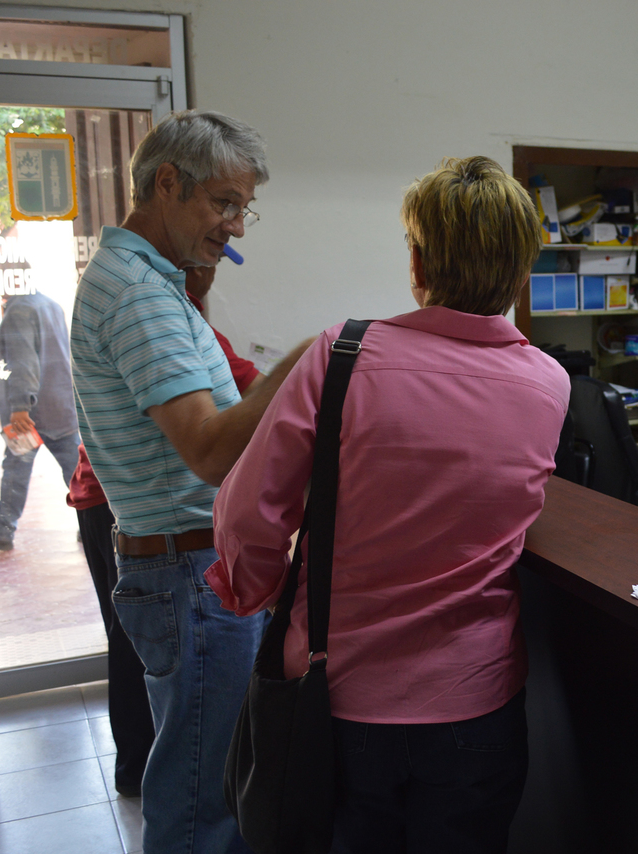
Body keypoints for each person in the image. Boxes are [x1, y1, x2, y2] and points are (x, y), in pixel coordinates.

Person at [206, 155, 571, 853]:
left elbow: (249, 514)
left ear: (418, 261)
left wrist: (256, 590)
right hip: (479, 706)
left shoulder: (340, 355)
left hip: (339, 701)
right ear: (522, 270)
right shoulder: (549, 383)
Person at [70, 109, 310, 854]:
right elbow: (207, 451)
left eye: (243, 208)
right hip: (189, 572)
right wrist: (303, 366)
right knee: (204, 802)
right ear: (167, 183)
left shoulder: (150, 284)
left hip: (193, 567)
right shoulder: (138, 296)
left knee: (216, 786)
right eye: (224, 203)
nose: (235, 227)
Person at [67, 262, 261, 799]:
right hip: (128, 510)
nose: (224, 249)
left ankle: (139, 762)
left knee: (140, 645)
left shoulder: (181, 315)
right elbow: (219, 434)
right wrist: (306, 367)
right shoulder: (152, 310)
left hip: (114, 501)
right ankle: (137, 763)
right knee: (145, 652)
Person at [0, 291, 80, 552]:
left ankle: (2, 528)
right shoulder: (50, 304)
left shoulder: (19, 311)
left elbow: (22, 361)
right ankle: (97, 520)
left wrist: (20, 406)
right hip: (60, 405)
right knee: (76, 471)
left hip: (31, 413)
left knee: (16, 469)